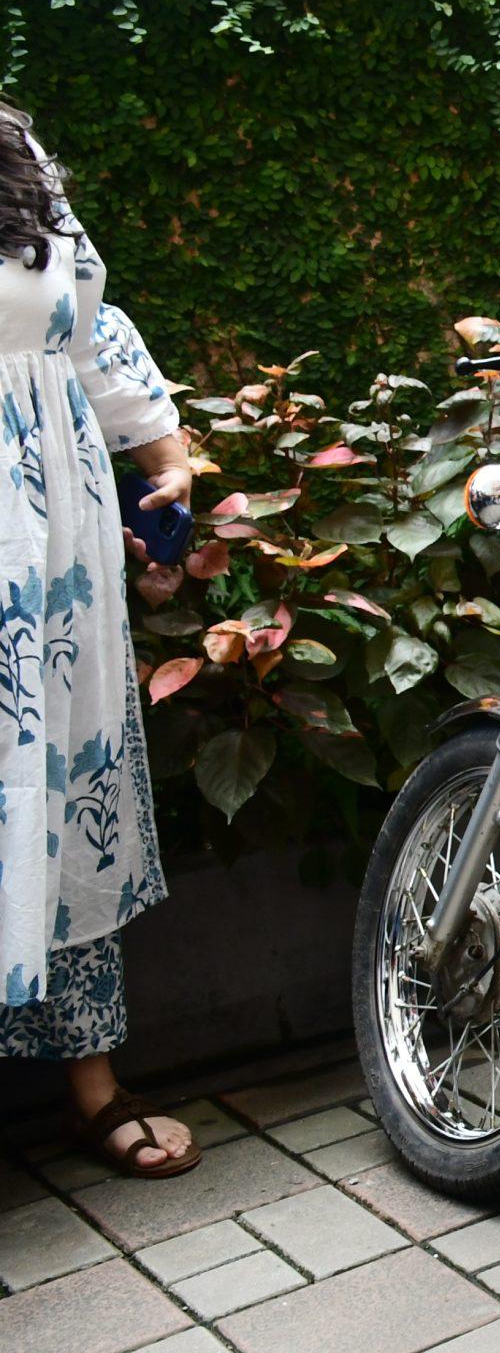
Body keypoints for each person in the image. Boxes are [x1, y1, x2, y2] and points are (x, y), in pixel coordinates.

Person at [0, 104, 199, 1178]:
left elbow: (82, 322)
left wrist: (164, 454)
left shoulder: (15, 149)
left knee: (63, 784)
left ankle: (91, 1087)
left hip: (56, 541)